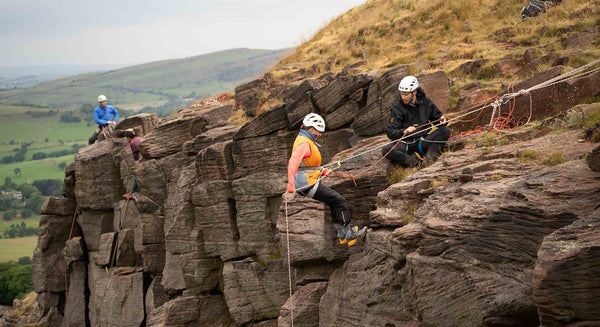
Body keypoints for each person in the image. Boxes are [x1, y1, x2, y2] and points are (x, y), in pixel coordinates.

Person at [284, 113, 367, 246]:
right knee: (339, 200)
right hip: (306, 184)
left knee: (333, 201)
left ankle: (341, 233)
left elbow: (308, 165)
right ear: (311, 129)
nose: (319, 135)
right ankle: (348, 231)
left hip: (307, 181)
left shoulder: (305, 140)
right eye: (318, 132)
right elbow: (293, 162)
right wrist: (290, 184)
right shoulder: (304, 144)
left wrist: (322, 171)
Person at [381, 76, 450, 168]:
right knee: (386, 150)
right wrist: (404, 131)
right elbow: (391, 132)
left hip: (423, 141)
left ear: (414, 92)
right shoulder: (396, 108)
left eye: (406, 94)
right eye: (401, 94)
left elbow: (437, 121)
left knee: (445, 130)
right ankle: (414, 163)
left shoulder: (426, 102)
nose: (403, 97)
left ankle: (429, 161)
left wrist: (443, 121)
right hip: (406, 144)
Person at [123, 129, 142, 198]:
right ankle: (135, 191)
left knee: (135, 175)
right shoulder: (139, 138)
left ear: (128, 138)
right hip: (143, 158)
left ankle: (132, 193)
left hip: (140, 160)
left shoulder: (132, 143)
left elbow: (135, 155)